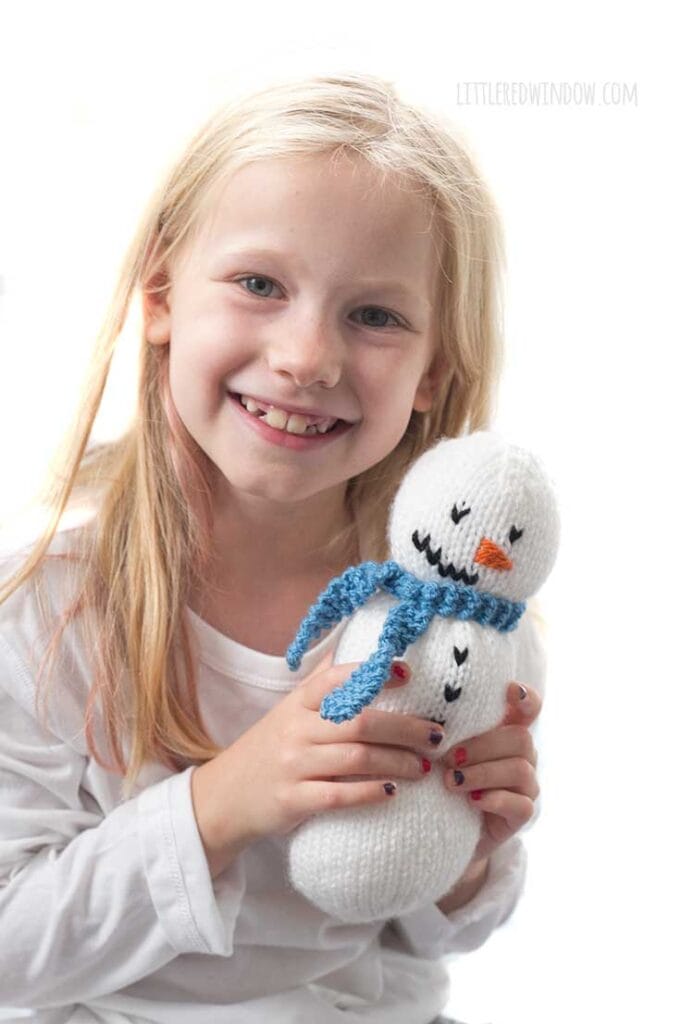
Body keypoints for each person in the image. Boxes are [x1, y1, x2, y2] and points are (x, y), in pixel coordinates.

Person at [0, 71, 547, 1024]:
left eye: (374, 315)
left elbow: (428, 938)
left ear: (432, 374)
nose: (307, 357)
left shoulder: (457, 614)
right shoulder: (48, 613)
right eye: (260, 284)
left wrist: (471, 856)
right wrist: (222, 804)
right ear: (163, 297)